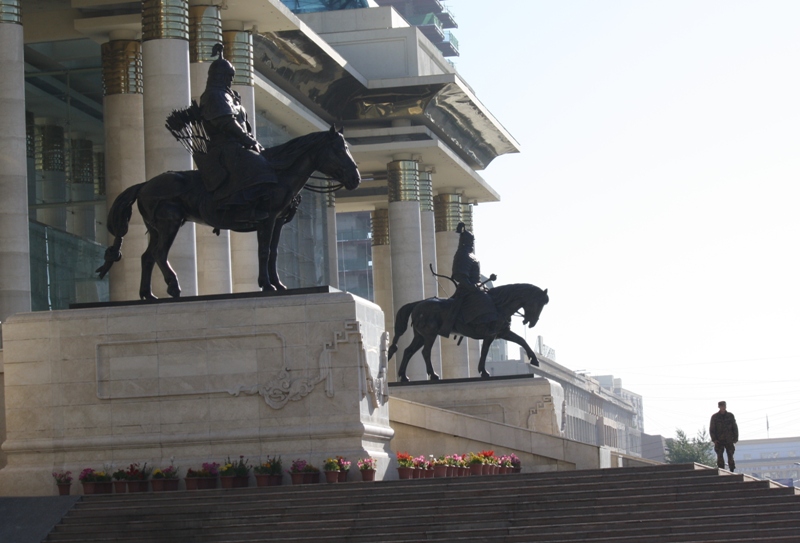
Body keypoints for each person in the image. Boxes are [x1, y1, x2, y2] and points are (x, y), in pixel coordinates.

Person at [196, 43, 273, 219]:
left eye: (231, 77)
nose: (230, 80)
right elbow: (226, 122)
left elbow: (242, 122)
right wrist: (248, 140)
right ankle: (236, 204)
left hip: (237, 145)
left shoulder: (229, 96)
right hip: (223, 147)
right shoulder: (214, 95)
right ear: (217, 76)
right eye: (227, 76)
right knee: (256, 165)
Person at [439, 222, 498, 338]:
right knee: (483, 301)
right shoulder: (462, 255)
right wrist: (471, 287)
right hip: (467, 290)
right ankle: (478, 326)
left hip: (477, 288)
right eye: (470, 241)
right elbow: (459, 275)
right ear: (465, 241)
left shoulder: (472, 256)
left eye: (472, 241)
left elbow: (476, 276)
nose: (471, 243)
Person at [709, 400, 739, 472]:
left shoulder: (730, 416)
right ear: (719, 407)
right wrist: (714, 439)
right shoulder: (715, 417)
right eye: (722, 406)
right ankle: (721, 470)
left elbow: (735, 427)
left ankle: (732, 469)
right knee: (720, 456)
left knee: (730, 456)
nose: (723, 407)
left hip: (729, 439)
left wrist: (735, 438)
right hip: (719, 440)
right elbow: (712, 429)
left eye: (724, 406)